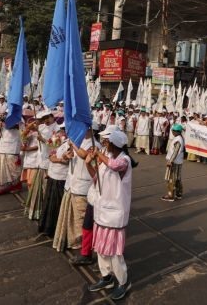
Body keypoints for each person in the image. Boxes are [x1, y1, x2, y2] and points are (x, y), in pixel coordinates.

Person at [86, 130, 134, 301]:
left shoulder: (124, 160)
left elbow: (114, 166)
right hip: (102, 211)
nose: (105, 144)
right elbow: (96, 178)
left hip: (115, 214)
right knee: (101, 248)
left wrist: (98, 154)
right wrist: (88, 163)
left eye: (107, 142)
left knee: (114, 252)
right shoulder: (107, 158)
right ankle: (106, 277)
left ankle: (123, 282)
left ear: (115, 144)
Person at [54, 128, 101, 253]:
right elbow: (71, 156)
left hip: (84, 187)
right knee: (72, 217)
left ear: (90, 130)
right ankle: (75, 241)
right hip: (71, 183)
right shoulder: (78, 141)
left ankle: (84, 244)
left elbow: (84, 155)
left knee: (81, 218)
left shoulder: (95, 144)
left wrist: (73, 144)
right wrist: (67, 156)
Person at [38, 125, 69, 238]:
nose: (61, 132)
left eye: (64, 130)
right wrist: (56, 158)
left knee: (57, 204)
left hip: (61, 177)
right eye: (61, 130)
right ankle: (46, 227)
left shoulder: (70, 144)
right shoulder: (58, 141)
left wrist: (57, 159)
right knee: (49, 202)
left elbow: (66, 160)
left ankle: (55, 229)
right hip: (53, 175)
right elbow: (51, 156)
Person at [0, 121, 23, 196]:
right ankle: (4, 188)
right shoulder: (1, 122)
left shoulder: (18, 119)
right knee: (3, 169)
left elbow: (17, 126)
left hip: (13, 148)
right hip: (3, 147)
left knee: (14, 170)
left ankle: (17, 187)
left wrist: (5, 124)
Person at [162, 123, 185, 202]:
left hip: (174, 162)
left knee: (171, 179)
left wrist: (170, 161)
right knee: (177, 178)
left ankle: (170, 195)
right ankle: (179, 194)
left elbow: (175, 151)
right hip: (178, 161)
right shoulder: (180, 138)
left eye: (173, 131)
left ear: (177, 131)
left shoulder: (178, 140)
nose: (172, 132)